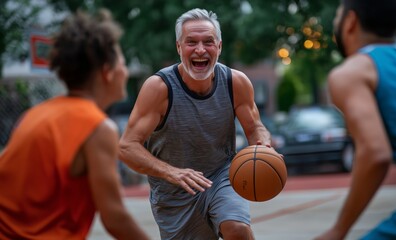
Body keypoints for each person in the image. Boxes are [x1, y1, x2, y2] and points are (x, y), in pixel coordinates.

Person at [119, 8, 277, 240]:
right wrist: (171, 172)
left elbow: (255, 127)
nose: (200, 50)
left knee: (237, 229)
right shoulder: (159, 88)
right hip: (174, 193)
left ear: (219, 47)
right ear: (179, 47)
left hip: (222, 176)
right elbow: (126, 147)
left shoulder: (236, 82)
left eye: (208, 42)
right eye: (191, 42)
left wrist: (263, 146)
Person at [0, 9, 151, 240]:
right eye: (122, 63)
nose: (126, 71)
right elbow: (115, 218)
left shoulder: (34, 114)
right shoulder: (98, 128)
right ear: (107, 72)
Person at [315, 0, 396, 239]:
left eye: (337, 17)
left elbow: (376, 154)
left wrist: (339, 230)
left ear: (350, 22)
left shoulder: (353, 72)